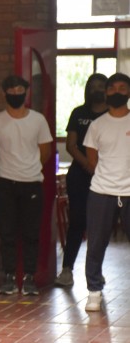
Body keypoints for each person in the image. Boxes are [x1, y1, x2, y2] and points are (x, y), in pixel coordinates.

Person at [0, 74, 52, 296]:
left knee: (31, 233)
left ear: (26, 92)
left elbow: (45, 152)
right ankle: (9, 277)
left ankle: (29, 277)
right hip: (5, 184)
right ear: (5, 93)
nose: (15, 94)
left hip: (32, 183)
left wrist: (28, 169)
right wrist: (7, 170)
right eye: (11, 91)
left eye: (19, 90)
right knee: (7, 234)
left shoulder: (38, 120)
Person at [82, 72, 130, 312]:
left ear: (128, 92)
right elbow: (93, 161)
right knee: (96, 244)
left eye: (122, 88)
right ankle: (94, 290)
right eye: (112, 88)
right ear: (106, 93)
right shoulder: (97, 125)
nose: (117, 92)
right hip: (102, 192)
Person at [55, 73, 108, 287]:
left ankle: (96, 272)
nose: (97, 89)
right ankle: (67, 270)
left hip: (105, 176)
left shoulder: (112, 115)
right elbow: (71, 145)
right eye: (93, 86)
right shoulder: (79, 113)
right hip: (80, 175)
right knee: (77, 222)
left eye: (101, 86)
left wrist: (99, 168)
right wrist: (87, 164)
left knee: (100, 226)